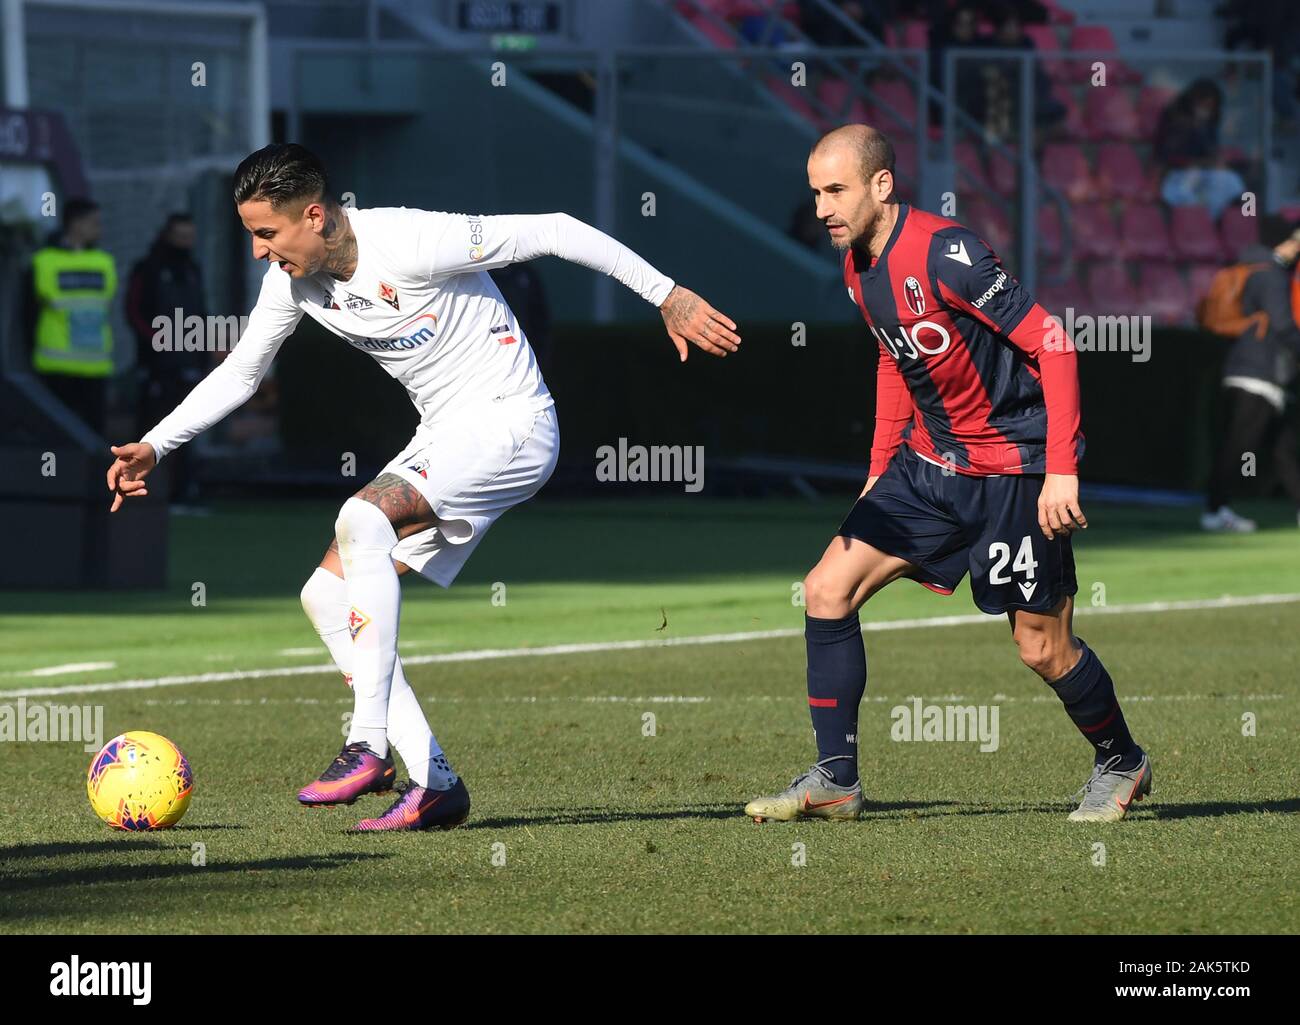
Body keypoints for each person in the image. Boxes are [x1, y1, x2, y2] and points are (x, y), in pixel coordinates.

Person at [105, 143, 739, 832]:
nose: (259, 253)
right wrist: (155, 443)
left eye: (267, 234)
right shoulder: (291, 283)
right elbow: (241, 374)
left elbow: (557, 227)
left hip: (513, 426)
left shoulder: (410, 239)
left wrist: (668, 295)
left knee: (362, 518)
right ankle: (434, 782)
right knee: (323, 594)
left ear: (314, 216)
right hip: (445, 437)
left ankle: (367, 741)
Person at [745, 124, 1150, 825]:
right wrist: (877, 470)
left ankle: (1121, 759)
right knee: (825, 589)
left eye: (835, 190)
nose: (821, 209)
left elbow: (1053, 344)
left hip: (1016, 471)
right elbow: (895, 361)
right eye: (814, 193)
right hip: (929, 466)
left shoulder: (949, 253)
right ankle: (837, 778)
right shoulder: (856, 269)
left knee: (1041, 646)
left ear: (881, 184)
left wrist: (1061, 470)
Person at [1202, 215, 1300, 532]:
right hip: (1258, 373)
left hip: (1252, 370)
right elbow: (1284, 326)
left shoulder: (1257, 270)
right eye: (1295, 241)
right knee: (1240, 445)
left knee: (1282, 447)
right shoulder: (1271, 275)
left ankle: (1218, 508)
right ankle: (1215, 509)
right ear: (1281, 242)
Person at [125, 212, 209, 507]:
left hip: (187, 365)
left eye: (190, 237)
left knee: (187, 430)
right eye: (181, 236)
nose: (186, 242)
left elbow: (200, 313)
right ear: (168, 235)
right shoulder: (148, 269)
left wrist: (202, 352)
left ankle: (183, 493)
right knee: (150, 429)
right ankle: (136, 491)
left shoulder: (192, 270)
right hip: (156, 366)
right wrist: (158, 344)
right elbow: (134, 312)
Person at [27, 197, 117, 435]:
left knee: (93, 437)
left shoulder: (104, 262)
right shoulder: (44, 261)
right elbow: (28, 314)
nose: (99, 229)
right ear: (75, 224)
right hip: (57, 366)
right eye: (94, 223)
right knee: (57, 438)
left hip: (96, 365)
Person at [1155, 79, 1246, 221]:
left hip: (1204, 171)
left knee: (1231, 180)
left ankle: (1215, 224)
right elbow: (1167, 153)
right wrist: (1192, 126)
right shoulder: (1174, 116)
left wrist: (1201, 127)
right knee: (1185, 191)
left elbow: (1211, 151)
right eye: (1203, 104)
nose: (1206, 108)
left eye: (1210, 106)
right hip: (1177, 173)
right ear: (1193, 101)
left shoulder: (1209, 122)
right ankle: (1196, 225)